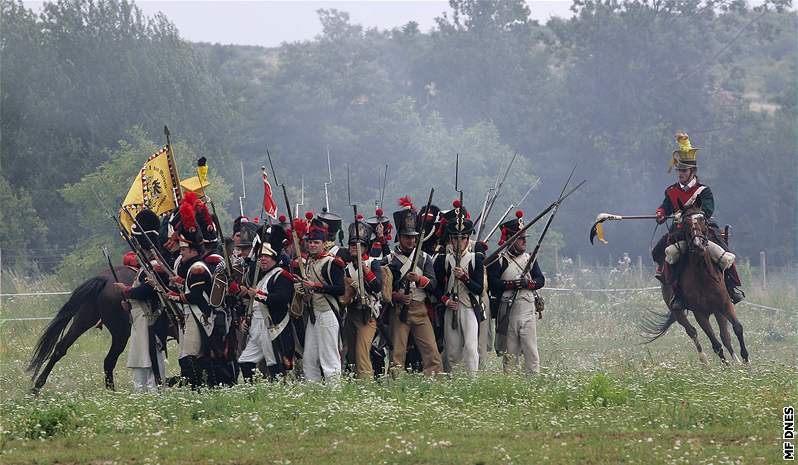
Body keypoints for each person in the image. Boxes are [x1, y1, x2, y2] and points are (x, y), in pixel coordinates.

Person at [652, 133, 744, 312]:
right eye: (679, 171)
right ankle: (677, 294)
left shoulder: (703, 191)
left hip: (703, 229)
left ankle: (732, 287)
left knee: (725, 252)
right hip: (679, 231)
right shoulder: (671, 191)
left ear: (692, 172)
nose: (681, 174)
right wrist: (660, 214)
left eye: (684, 171)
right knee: (662, 252)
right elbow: (664, 207)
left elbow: (708, 211)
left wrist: (688, 216)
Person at [382, 196, 443, 376]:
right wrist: (398, 296)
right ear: (399, 237)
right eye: (407, 237)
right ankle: (395, 386)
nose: (411, 241)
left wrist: (418, 279)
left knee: (432, 353)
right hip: (400, 311)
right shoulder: (389, 259)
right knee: (397, 354)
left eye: (413, 237)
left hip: (420, 309)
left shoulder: (424, 258)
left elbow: (433, 284)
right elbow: (384, 290)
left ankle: (434, 383)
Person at [114, 209, 167, 392]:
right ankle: (141, 393)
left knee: (151, 361)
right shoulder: (147, 265)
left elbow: (148, 290)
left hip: (149, 319)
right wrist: (129, 304)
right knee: (139, 361)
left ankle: (154, 393)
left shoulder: (155, 265)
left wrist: (127, 290)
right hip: (140, 318)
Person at [487, 210, 545, 374]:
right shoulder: (498, 259)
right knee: (510, 355)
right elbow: (494, 284)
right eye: (520, 238)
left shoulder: (529, 258)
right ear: (509, 239)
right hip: (508, 312)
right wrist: (513, 284)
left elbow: (540, 280)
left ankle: (533, 382)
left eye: (524, 238)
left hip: (527, 310)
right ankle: (510, 386)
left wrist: (528, 283)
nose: (523, 242)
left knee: (531, 352)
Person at [292, 215, 346, 383]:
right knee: (309, 357)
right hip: (314, 314)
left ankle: (334, 391)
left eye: (316, 242)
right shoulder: (308, 262)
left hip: (328, 313)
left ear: (324, 244)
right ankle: (313, 389)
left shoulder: (332, 263)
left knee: (329, 357)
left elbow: (340, 289)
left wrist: (316, 286)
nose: (312, 245)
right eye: (310, 242)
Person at [238, 226, 295, 381]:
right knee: (245, 362)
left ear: (275, 258)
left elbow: (281, 299)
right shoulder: (259, 276)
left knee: (275, 364)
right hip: (257, 327)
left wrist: (258, 295)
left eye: (267, 256)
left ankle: (279, 393)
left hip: (273, 326)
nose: (263, 259)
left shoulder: (282, 276)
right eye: (261, 256)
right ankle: (254, 394)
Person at [434, 201, 484, 373]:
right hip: (451, 307)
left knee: (470, 348)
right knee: (452, 352)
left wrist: (464, 277)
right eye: (455, 238)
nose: (459, 241)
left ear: (467, 239)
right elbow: (436, 287)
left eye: (462, 237)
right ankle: (452, 383)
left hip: (469, 306)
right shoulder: (443, 260)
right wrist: (445, 300)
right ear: (450, 239)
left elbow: (478, 289)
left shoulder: (476, 258)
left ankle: (473, 382)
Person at [340, 216, 384, 379]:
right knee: (350, 353)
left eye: (358, 245)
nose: (354, 248)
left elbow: (377, 286)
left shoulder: (373, 263)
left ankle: (366, 384)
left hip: (368, 315)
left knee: (361, 353)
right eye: (352, 244)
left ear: (365, 247)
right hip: (352, 314)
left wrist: (365, 270)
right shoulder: (346, 268)